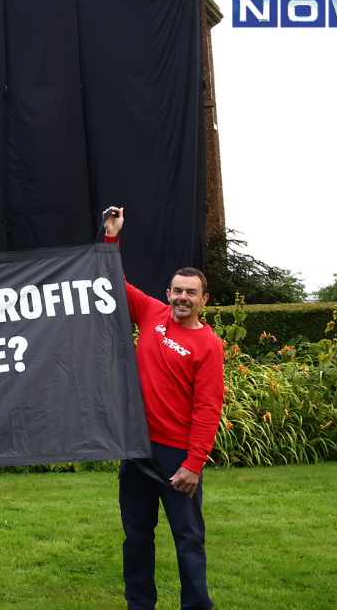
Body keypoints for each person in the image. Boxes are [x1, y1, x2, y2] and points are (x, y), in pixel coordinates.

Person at [103, 206, 221, 610]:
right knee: (136, 536)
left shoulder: (208, 345)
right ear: (167, 293)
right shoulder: (152, 313)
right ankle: (140, 604)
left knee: (187, 538)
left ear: (204, 299)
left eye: (191, 292)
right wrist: (112, 237)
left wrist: (194, 462)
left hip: (177, 455)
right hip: (137, 448)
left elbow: (208, 407)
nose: (182, 298)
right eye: (177, 290)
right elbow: (112, 282)